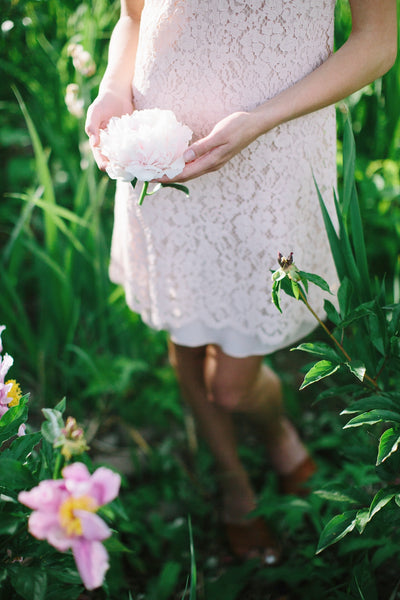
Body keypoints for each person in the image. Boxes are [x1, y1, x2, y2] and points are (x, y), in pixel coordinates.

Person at [85, 0, 397, 564]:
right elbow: (135, 15)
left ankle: (276, 432)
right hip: (161, 147)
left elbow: (377, 43)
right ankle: (234, 486)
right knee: (185, 329)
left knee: (231, 383)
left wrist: (261, 119)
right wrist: (113, 88)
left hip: (271, 155)